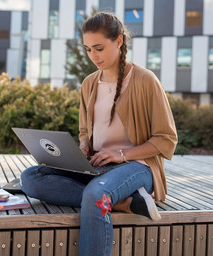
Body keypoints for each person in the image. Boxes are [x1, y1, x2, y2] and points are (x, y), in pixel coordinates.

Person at [20, 11, 177, 256]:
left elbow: (166, 139)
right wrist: (82, 147)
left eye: (99, 48)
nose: (94, 56)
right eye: (88, 49)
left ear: (119, 41)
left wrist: (121, 154)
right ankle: (125, 203)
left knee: (96, 194)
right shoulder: (89, 83)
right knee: (30, 178)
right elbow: (85, 131)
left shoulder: (145, 80)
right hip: (97, 165)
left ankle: (111, 199)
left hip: (138, 166)